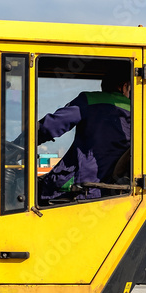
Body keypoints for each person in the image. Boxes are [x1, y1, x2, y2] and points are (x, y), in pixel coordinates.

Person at [36, 69, 132, 203]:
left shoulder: (89, 100)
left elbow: (50, 126)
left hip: (80, 189)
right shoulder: (140, 112)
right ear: (125, 87)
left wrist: (21, 142)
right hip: (116, 192)